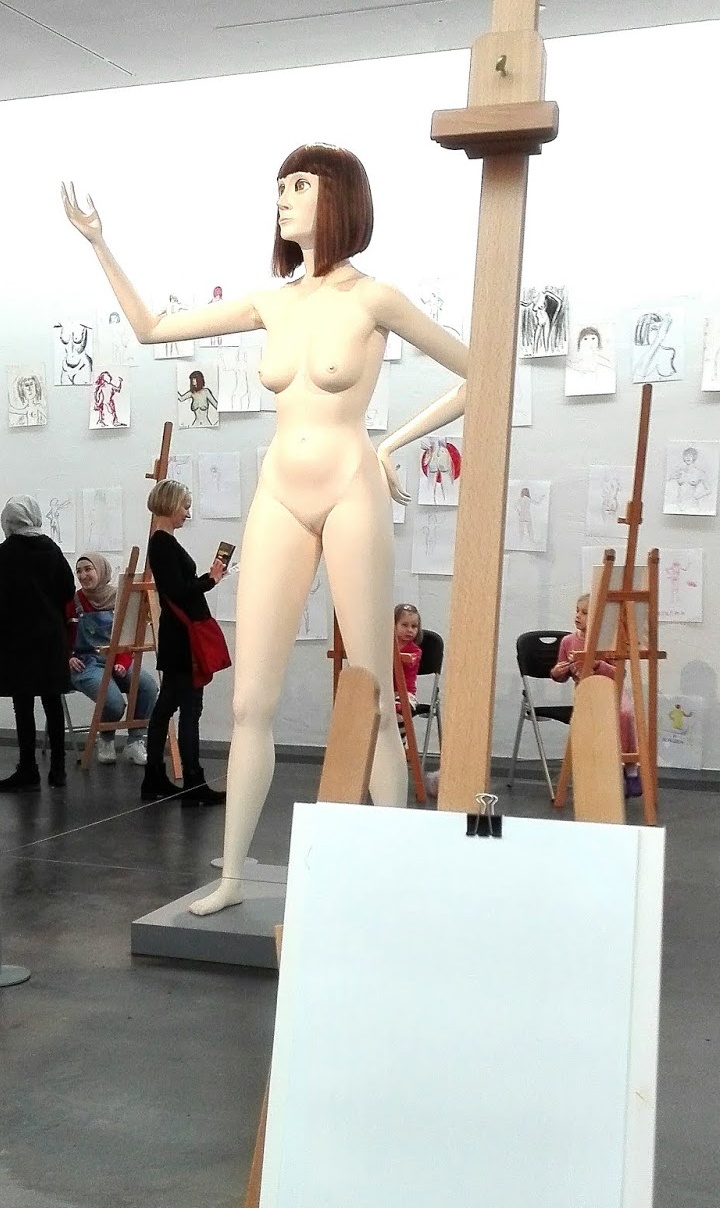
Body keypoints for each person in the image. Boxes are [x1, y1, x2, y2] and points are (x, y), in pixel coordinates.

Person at [62, 143, 467, 913]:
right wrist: (99, 243)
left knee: (372, 692)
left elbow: (482, 372)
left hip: (349, 485)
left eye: (299, 185)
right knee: (249, 701)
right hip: (279, 489)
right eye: (281, 185)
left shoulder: (374, 299)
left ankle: (399, 875)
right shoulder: (271, 302)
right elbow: (150, 328)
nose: (283, 197)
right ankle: (232, 878)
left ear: (338, 197)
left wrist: (390, 444)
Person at [141, 480, 228, 806]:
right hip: (182, 639)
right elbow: (178, 592)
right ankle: (193, 782)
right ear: (170, 504)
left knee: (169, 706)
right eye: (185, 506)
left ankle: (156, 776)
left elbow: (178, 587)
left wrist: (207, 578)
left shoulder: (163, 542)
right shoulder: (162, 544)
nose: (187, 513)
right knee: (188, 709)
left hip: (178, 637)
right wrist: (210, 580)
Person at [0, 495, 75, 791]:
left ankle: (28, 769)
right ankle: (58, 770)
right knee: (52, 701)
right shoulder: (51, 549)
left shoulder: (6, 552)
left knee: (22, 704)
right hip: (51, 637)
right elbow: (67, 589)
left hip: (18, 638)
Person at [66, 552, 158, 766]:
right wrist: (67, 657)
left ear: (101, 570)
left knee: (148, 687)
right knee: (114, 703)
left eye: (88, 569)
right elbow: (57, 634)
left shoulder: (120, 598)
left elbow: (129, 635)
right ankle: (106, 738)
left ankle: (135, 741)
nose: (83, 575)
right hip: (86, 664)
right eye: (79, 571)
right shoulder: (73, 602)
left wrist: (123, 662)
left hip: (118, 659)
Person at [551, 593, 641, 797]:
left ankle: (629, 767)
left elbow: (620, 674)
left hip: (611, 689)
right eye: (577, 611)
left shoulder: (608, 641)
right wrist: (557, 672)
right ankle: (602, 770)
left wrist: (599, 665)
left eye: (584, 613)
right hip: (587, 692)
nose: (578, 616)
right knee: (594, 720)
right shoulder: (568, 641)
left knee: (625, 713)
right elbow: (561, 675)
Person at [394, 603, 422, 700]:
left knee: (399, 706)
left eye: (414, 626)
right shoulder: (386, 646)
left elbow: (407, 661)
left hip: (406, 692)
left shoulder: (415, 651)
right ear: (394, 625)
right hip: (385, 691)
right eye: (404, 625)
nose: (409, 630)